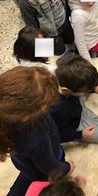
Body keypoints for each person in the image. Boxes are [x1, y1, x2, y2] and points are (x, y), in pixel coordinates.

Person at [0, 66, 74, 196]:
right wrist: (66, 167)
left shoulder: (6, 115)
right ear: (27, 115)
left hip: (23, 162)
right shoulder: (35, 137)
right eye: (46, 104)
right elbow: (51, 169)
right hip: (44, 168)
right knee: (39, 178)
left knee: (29, 173)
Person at [51, 54, 98, 143]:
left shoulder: (62, 73)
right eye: (86, 90)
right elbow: (56, 135)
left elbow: (82, 83)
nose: (87, 91)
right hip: (73, 124)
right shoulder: (58, 109)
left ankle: (93, 88)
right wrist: (80, 134)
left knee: (82, 90)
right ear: (66, 90)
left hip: (76, 104)